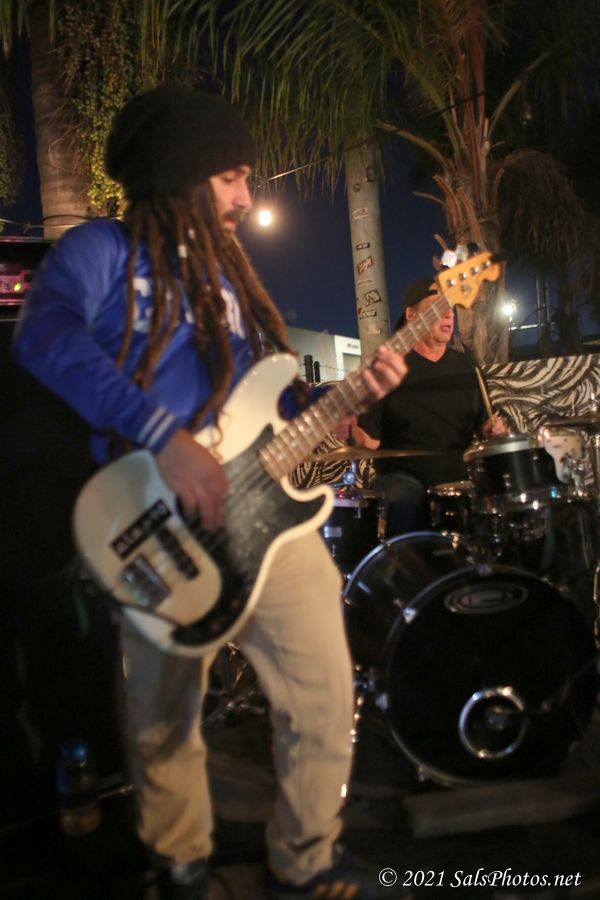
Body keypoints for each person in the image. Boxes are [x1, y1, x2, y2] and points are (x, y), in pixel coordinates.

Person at [10, 84, 408, 900]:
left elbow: (269, 406)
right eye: (232, 176)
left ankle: (306, 859)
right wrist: (163, 436)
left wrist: (344, 398)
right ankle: (181, 865)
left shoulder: (231, 275)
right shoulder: (100, 251)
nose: (246, 197)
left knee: (325, 694)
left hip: (267, 520)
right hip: (153, 514)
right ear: (182, 174)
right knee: (163, 719)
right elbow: (42, 337)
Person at [349, 276, 507, 536]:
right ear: (412, 315)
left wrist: (493, 430)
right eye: (437, 308)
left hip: (460, 476)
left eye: (450, 308)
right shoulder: (389, 370)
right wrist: (348, 430)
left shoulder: (467, 367)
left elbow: (484, 427)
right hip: (403, 478)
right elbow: (368, 441)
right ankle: (408, 560)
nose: (448, 315)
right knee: (407, 499)